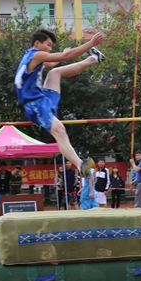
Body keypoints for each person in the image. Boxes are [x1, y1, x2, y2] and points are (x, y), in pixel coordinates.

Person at [14, 29, 105, 179]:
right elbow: (65, 57)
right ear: (37, 43)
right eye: (48, 45)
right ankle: (80, 164)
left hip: (41, 97)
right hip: (34, 104)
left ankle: (93, 59)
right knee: (60, 131)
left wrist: (63, 54)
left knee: (55, 73)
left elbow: (51, 63)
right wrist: (91, 43)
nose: (50, 49)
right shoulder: (36, 55)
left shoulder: (31, 56)